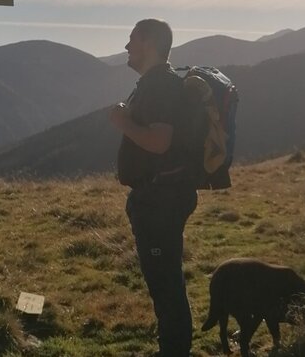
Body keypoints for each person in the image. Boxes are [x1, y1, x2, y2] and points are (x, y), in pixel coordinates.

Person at [109, 19, 197, 356]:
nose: (127, 46)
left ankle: (173, 351)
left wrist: (122, 122)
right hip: (160, 196)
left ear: (148, 43)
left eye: (132, 39)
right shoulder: (153, 84)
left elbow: (160, 142)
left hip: (161, 199)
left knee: (166, 284)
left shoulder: (160, 86)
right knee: (164, 280)